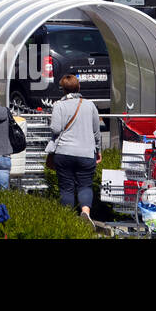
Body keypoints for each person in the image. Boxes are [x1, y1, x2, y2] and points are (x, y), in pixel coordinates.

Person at [49, 73, 102, 225]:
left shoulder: (58, 105)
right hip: (86, 153)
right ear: (79, 87)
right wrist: (98, 150)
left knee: (66, 188)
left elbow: (56, 129)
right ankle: (85, 213)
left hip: (64, 153)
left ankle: (68, 220)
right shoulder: (89, 105)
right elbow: (96, 130)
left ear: (63, 90)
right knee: (85, 185)